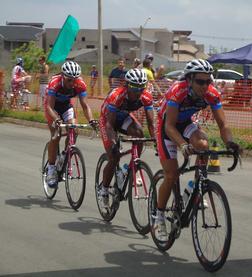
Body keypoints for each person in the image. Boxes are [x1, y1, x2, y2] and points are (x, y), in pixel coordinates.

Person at [154, 59, 240, 241]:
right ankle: (159, 215)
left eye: (209, 81)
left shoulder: (212, 94)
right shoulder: (178, 91)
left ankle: (195, 187)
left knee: (203, 145)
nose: (205, 86)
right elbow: (169, 126)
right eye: (201, 82)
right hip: (166, 127)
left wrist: (230, 143)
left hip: (185, 123)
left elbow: (223, 124)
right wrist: (183, 145)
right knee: (171, 175)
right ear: (190, 79)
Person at [98, 69, 155, 208]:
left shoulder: (146, 96)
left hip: (123, 117)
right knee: (114, 156)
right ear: (127, 84)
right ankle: (104, 188)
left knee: (139, 133)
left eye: (142, 87)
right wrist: (112, 144)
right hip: (107, 120)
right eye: (135, 87)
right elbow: (110, 125)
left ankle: (130, 167)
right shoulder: (117, 95)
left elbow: (151, 123)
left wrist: (156, 141)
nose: (138, 91)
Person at [44, 61, 97, 188]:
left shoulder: (80, 84)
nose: (72, 83)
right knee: (56, 135)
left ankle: (64, 156)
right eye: (69, 80)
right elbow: (49, 106)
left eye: (74, 80)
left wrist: (91, 120)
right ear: (63, 76)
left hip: (66, 106)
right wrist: (56, 119)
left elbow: (85, 106)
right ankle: (51, 169)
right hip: (52, 108)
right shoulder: (55, 83)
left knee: (74, 129)